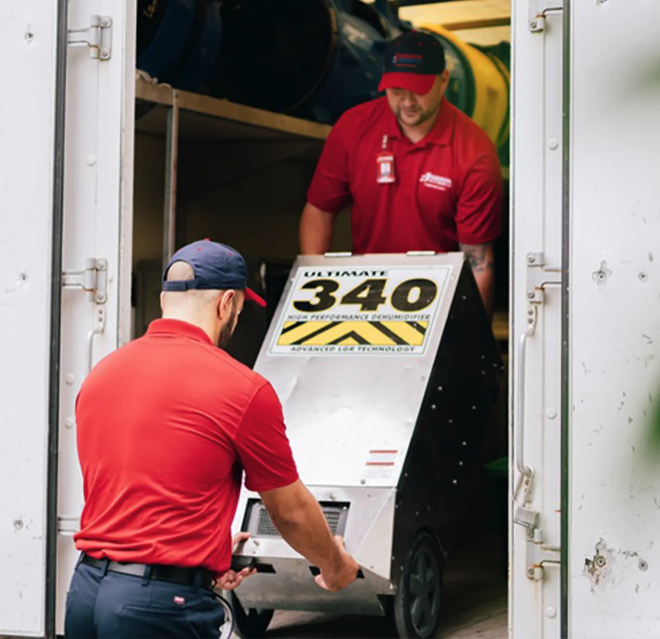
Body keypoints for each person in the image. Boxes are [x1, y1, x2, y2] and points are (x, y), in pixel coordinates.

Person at [65, 239, 359, 639]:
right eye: (238, 308)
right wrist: (334, 565)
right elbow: (289, 512)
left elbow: (137, 490)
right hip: (159, 608)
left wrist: (207, 553)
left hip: (86, 593)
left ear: (163, 300)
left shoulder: (101, 375)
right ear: (226, 304)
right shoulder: (242, 388)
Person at [299, 30, 503, 319]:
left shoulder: (474, 151)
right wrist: (314, 293)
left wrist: (476, 339)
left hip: (439, 296)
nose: (407, 102)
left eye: (418, 89)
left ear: (443, 81)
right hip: (366, 292)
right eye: (396, 90)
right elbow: (319, 211)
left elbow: (479, 261)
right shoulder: (353, 128)